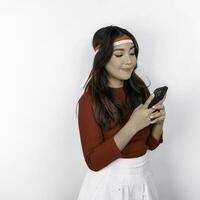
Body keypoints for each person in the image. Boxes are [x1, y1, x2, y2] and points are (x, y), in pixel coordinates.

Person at [76, 25, 167, 200]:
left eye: (132, 53)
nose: (129, 61)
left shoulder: (139, 90)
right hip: (108, 187)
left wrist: (158, 123)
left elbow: (149, 145)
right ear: (102, 59)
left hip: (142, 181)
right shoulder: (89, 101)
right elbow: (94, 162)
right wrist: (132, 126)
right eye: (119, 54)